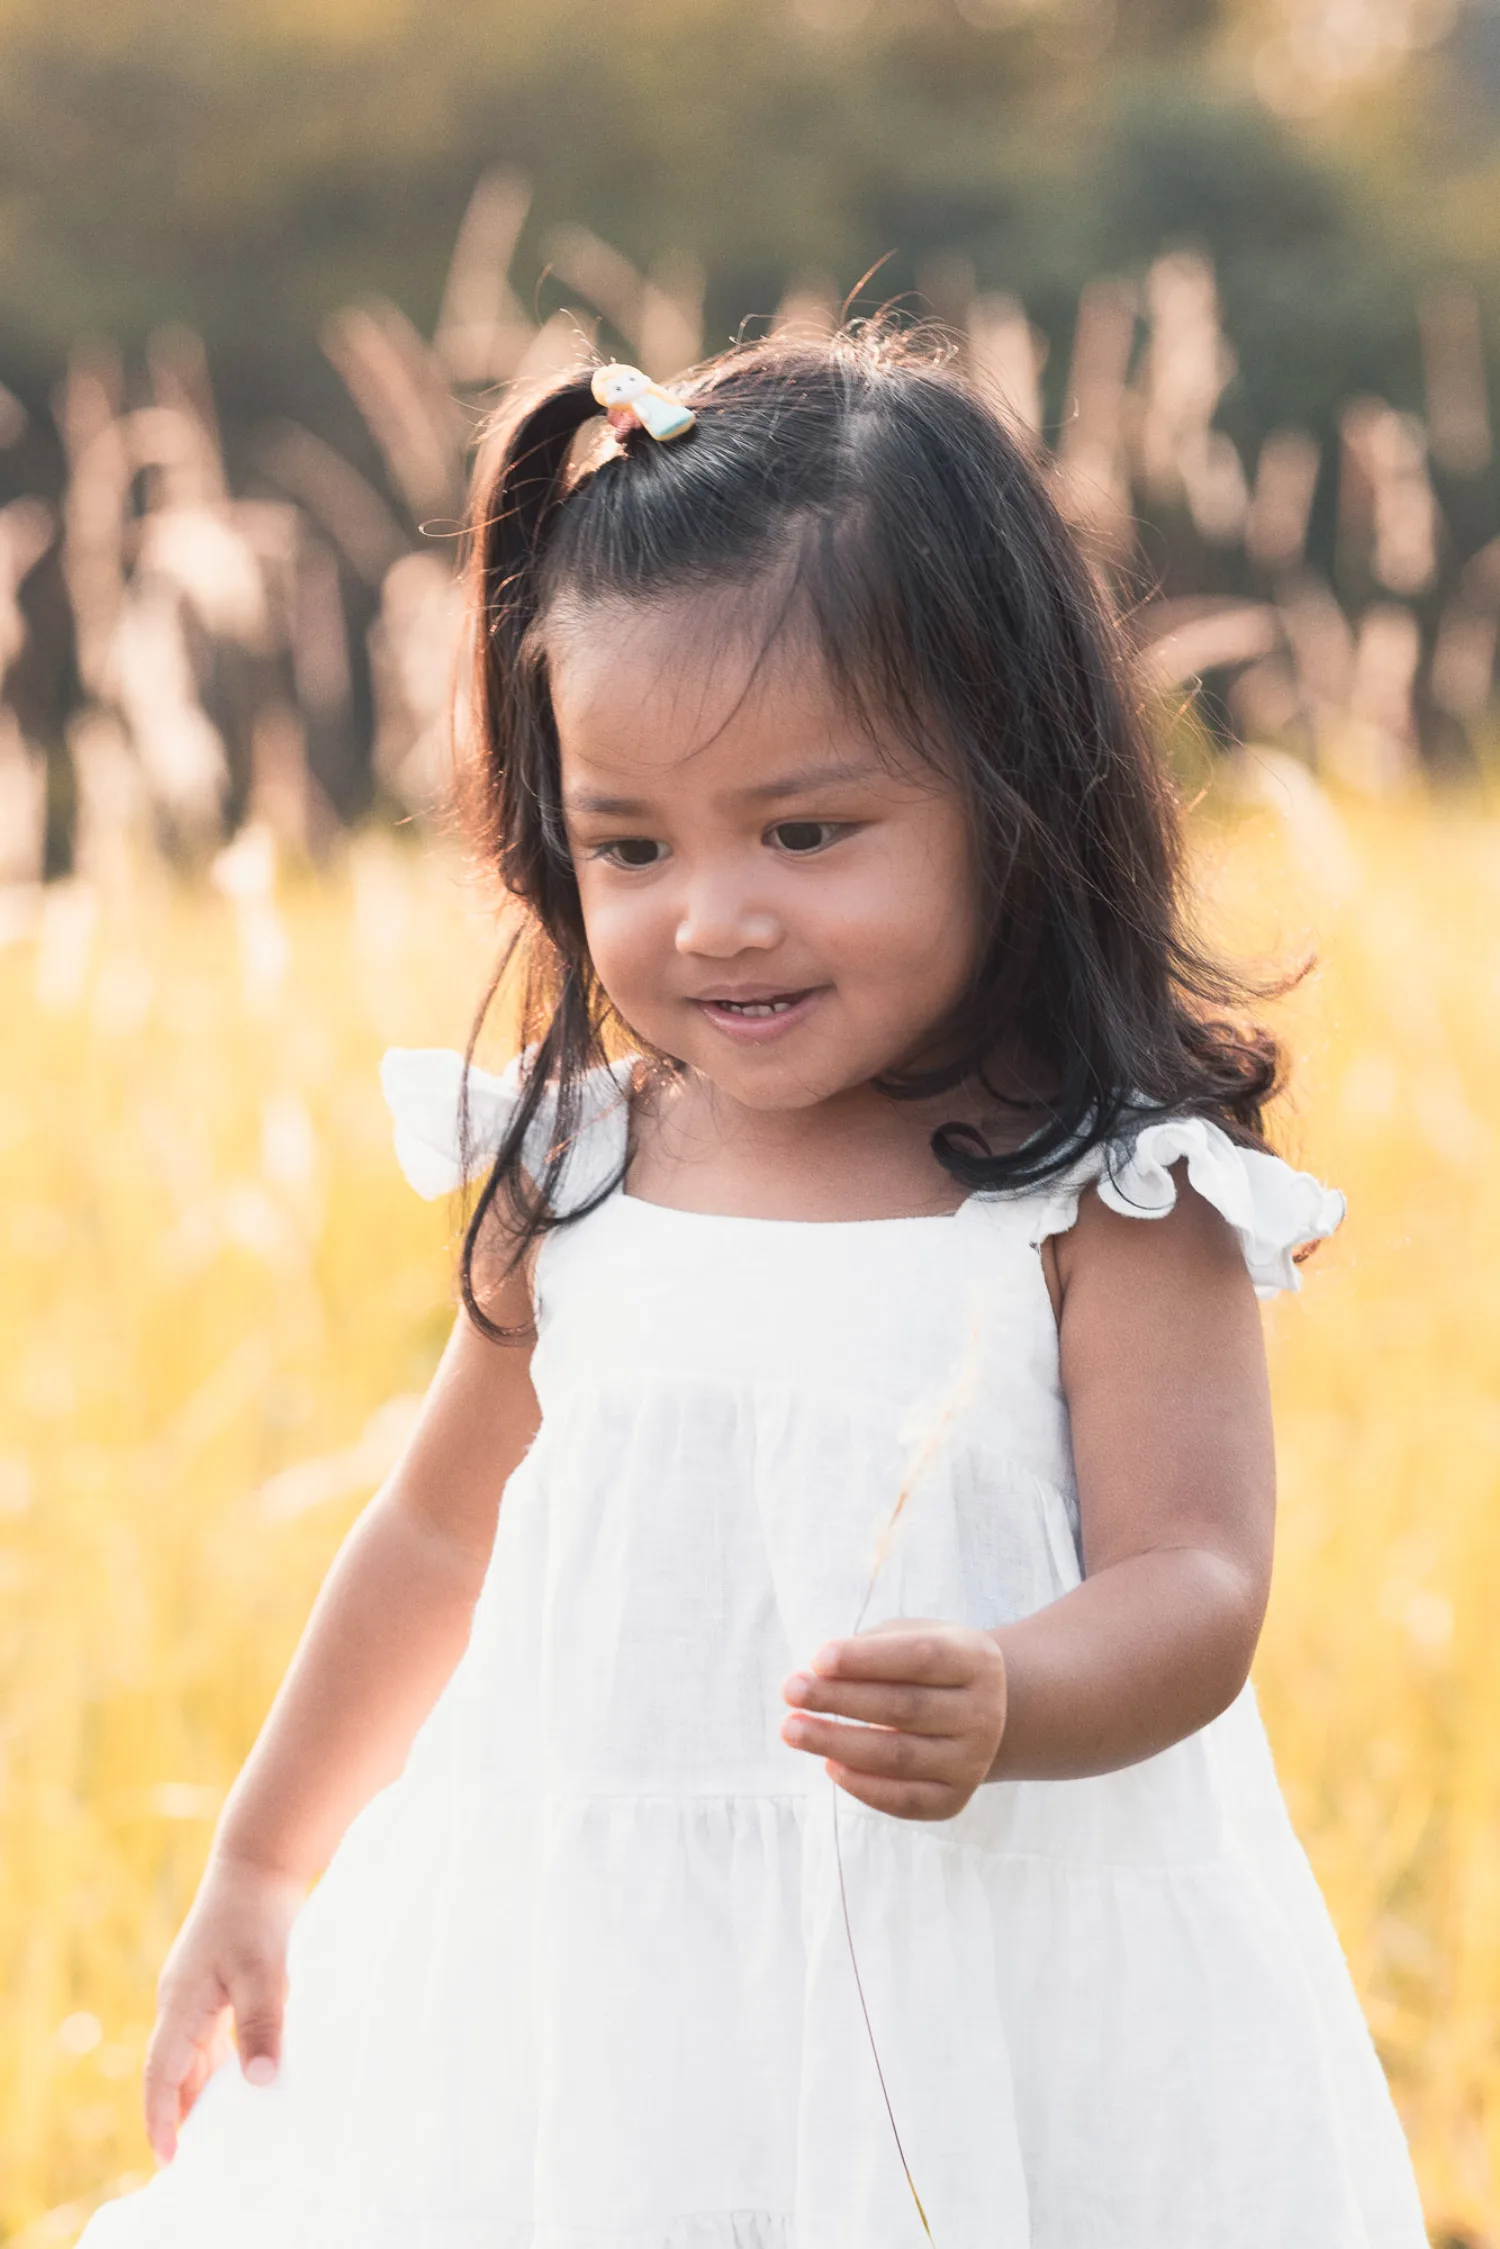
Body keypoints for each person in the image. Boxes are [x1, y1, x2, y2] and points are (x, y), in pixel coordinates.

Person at [82, 328, 1427, 2248]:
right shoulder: (594, 1169)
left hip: (994, 1959)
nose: (712, 913)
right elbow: (433, 1541)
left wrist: (1011, 1696)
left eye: (808, 831)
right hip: (604, 1971)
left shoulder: (1109, 1193)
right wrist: (262, 1860)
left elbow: (1198, 1581)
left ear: (1013, 791)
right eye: (630, 843)